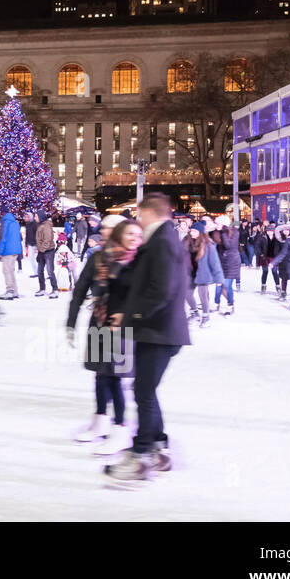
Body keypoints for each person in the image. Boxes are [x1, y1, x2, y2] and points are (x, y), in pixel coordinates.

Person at [105, 193, 191, 485]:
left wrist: (133, 317)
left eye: (139, 215)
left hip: (159, 330)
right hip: (157, 329)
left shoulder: (163, 242)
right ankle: (155, 446)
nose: (137, 220)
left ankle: (143, 454)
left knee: (142, 390)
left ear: (148, 212)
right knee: (145, 389)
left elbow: (161, 290)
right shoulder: (160, 240)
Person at [67, 215, 135, 456]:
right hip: (98, 322)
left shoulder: (130, 259)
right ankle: (100, 421)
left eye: (108, 229)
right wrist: (71, 321)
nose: (102, 232)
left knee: (115, 378)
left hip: (121, 327)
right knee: (99, 375)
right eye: (102, 228)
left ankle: (120, 428)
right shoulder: (96, 258)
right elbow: (80, 290)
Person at [212, 215, 241, 315]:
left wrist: (223, 232)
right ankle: (216, 303)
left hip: (232, 262)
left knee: (227, 285)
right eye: (216, 223)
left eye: (218, 223)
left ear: (224, 224)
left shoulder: (234, 232)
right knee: (218, 284)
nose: (216, 225)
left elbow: (228, 246)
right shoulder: (216, 233)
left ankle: (230, 305)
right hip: (220, 262)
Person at [0, 209, 23, 300]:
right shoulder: (15, 222)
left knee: (6, 271)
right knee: (11, 271)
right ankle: (15, 291)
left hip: (7, 250)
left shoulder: (5, 222)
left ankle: (10, 290)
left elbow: (3, 238)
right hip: (15, 250)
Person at [34, 214, 58, 297]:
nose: (35, 218)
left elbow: (47, 240)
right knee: (40, 271)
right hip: (42, 251)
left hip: (48, 252)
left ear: (40, 217)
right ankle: (42, 289)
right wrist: (40, 252)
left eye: (36, 216)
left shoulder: (46, 226)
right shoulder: (41, 225)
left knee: (50, 271)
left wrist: (41, 251)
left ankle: (55, 290)